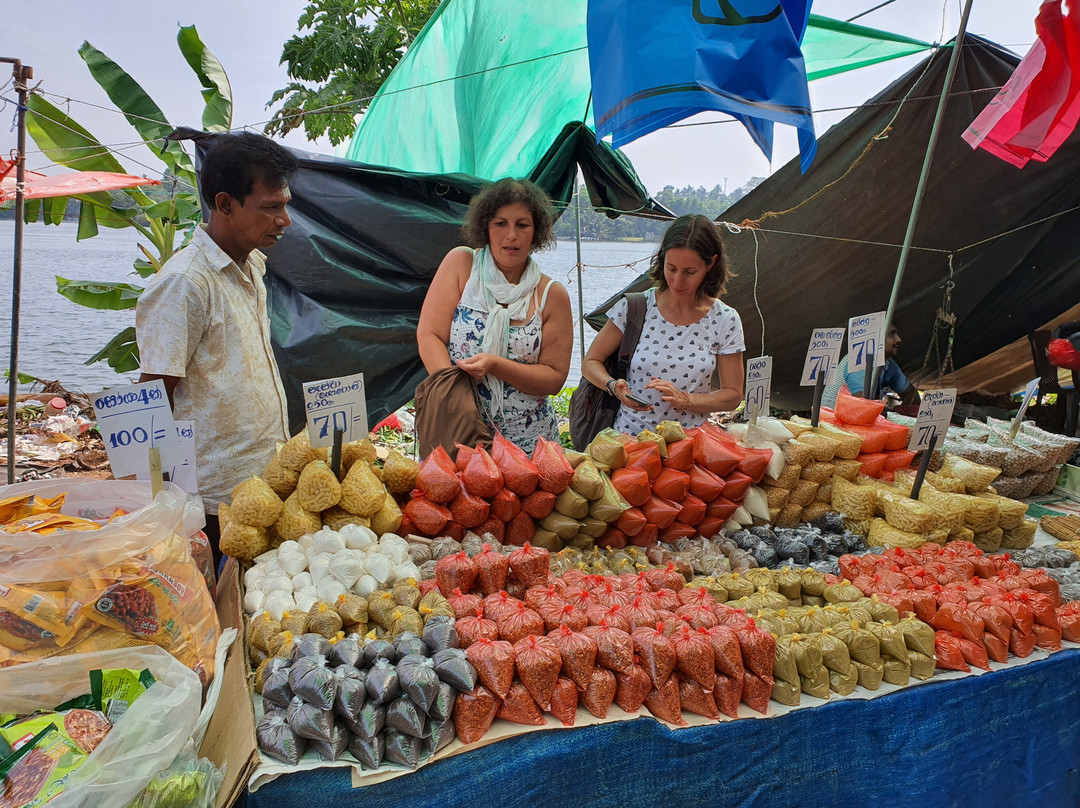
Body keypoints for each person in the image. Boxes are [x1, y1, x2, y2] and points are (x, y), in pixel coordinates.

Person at [136, 132, 299, 563]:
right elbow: (150, 398)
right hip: (210, 504)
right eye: (271, 207)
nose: (285, 220)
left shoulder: (252, 263)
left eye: (285, 204)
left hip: (262, 486)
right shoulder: (186, 283)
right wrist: (153, 510)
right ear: (224, 204)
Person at [417, 178, 573, 452]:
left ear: (535, 231)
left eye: (522, 225)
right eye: (500, 223)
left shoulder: (551, 295)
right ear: (485, 227)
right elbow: (429, 335)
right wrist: (455, 399)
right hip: (460, 433)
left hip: (529, 445)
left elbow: (555, 378)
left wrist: (496, 364)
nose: (511, 235)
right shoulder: (461, 265)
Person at [582, 214, 745, 435]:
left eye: (689, 272)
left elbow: (732, 395)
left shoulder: (725, 319)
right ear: (662, 259)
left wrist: (686, 400)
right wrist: (614, 386)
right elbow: (590, 362)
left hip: (688, 448)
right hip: (630, 443)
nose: (678, 281)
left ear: (711, 263)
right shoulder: (634, 307)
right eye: (671, 268)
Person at [822, 324, 920, 409]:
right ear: (877, 338)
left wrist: (902, 412)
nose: (899, 339)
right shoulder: (858, 360)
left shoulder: (888, 363)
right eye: (891, 335)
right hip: (832, 423)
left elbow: (911, 395)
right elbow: (862, 405)